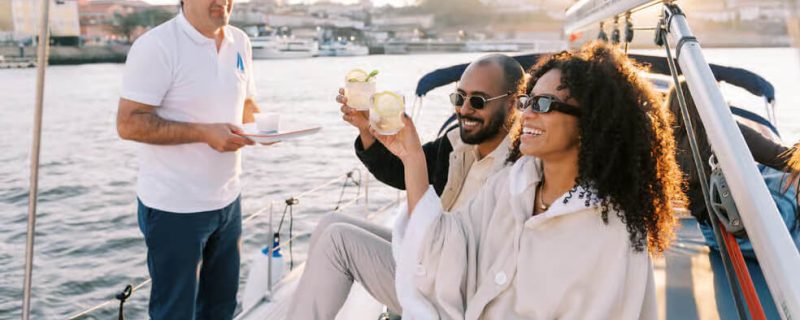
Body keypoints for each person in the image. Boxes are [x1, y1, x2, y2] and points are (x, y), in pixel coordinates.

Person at [378, 42, 685, 319]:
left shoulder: (611, 233)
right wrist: (412, 158)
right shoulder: (509, 186)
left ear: (588, 122)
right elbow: (447, 251)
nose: (525, 115)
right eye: (527, 102)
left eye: (543, 105)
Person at [286, 54, 525, 319]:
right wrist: (367, 130)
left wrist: (412, 156)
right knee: (331, 221)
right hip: (431, 253)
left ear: (513, 103)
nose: (464, 109)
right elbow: (399, 173)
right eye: (459, 98)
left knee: (338, 240)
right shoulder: (458, 144)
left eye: (478, 101)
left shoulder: (516, 171)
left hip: (451, 292)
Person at [115, 0, 261, 318]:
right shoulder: (156, 46)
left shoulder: (240, 41)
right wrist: (204, 133)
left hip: (228, 201)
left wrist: (265, 129)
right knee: (175, 313)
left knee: (221, 307)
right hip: (174, 208)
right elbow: (128, 123)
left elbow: (246, 102)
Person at [667, 81, 800, 319]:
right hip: (759, 235)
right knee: (781, 179)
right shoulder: (727, 133)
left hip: (718, 238)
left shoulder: (669, 147)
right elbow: (783, 159)